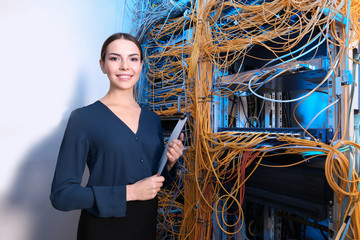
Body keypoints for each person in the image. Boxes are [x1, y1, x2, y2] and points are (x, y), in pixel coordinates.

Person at [50, 33, 184, 240]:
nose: (125, 66)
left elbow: (157, 183)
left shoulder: (152, 119)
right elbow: (62, 195)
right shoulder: (83, 118)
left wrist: (169, 164)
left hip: (145, 228)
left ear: (141, 65)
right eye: (115, 58)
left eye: (133, 59)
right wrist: (130, 192)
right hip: (102, 231)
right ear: (103, 65)